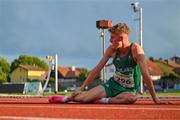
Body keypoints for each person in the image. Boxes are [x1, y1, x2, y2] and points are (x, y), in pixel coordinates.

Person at [48, 22, 170, 104]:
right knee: (84, 98)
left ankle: (103, 100)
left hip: (128, 90)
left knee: (132, 98)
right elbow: (97, 69)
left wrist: (156, 99)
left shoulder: (136, 50)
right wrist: (81, 88)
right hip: (112, 85)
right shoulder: (111, 49)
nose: (110, 40)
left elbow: (146, 76)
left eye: (112, 38)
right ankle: (65, 98)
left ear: (121, 38)